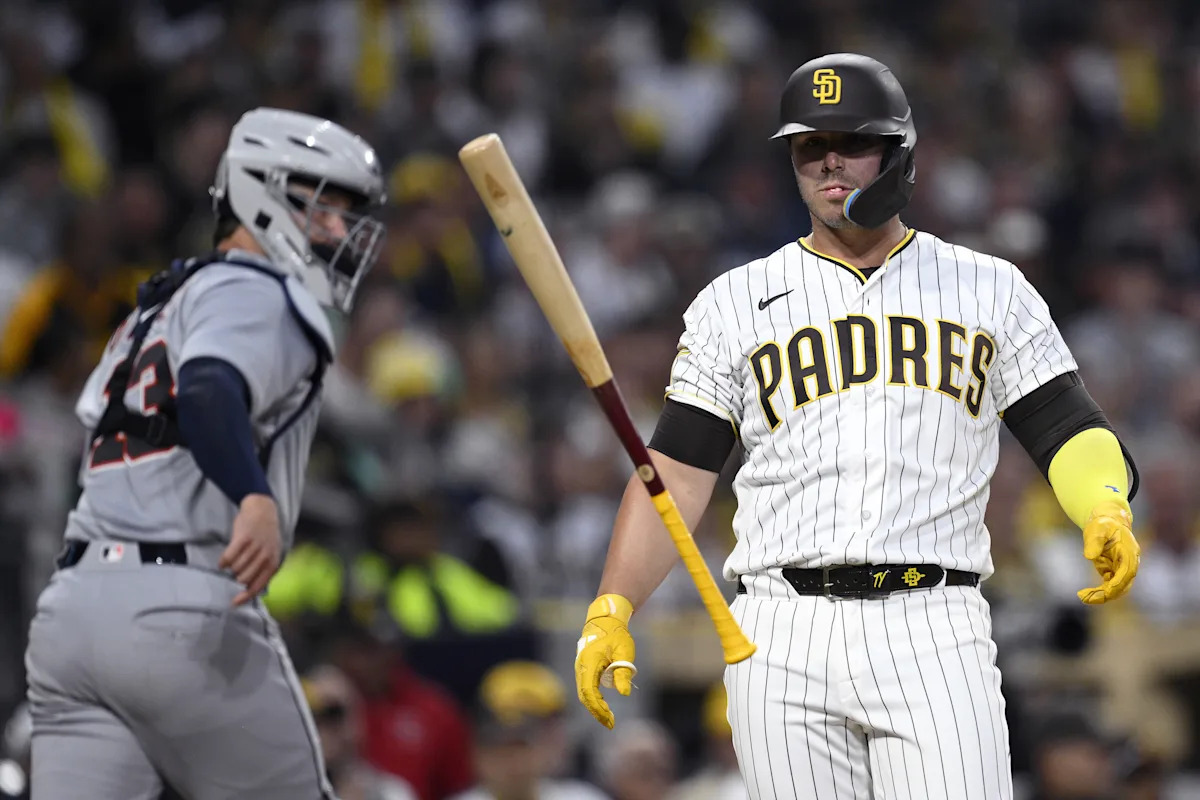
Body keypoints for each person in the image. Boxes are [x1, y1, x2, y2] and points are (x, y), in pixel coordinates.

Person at [573, 53, 1142, 800]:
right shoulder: (733, 302)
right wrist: (613, 604)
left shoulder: (990, 288)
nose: (829, 161)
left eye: (852, 141)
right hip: (780, 628)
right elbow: (675, 473)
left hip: (933, 619)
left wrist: (1104, 503)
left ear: (899, 154)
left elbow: (1067, 426)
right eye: (809, 145)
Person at [24, 107, 386, 799]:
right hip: (177, 607)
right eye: (323, 208)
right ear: (261, 193)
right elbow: (208, 388)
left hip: (73, 611)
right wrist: (251, 493)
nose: (339, 232)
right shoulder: (255, 287)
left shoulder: (155, 306)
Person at [302, 665, 420, 800]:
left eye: (334, 714)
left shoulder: (392, 794)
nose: (322, 728)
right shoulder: (285, 792)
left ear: (357, 723)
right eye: (312, 716)